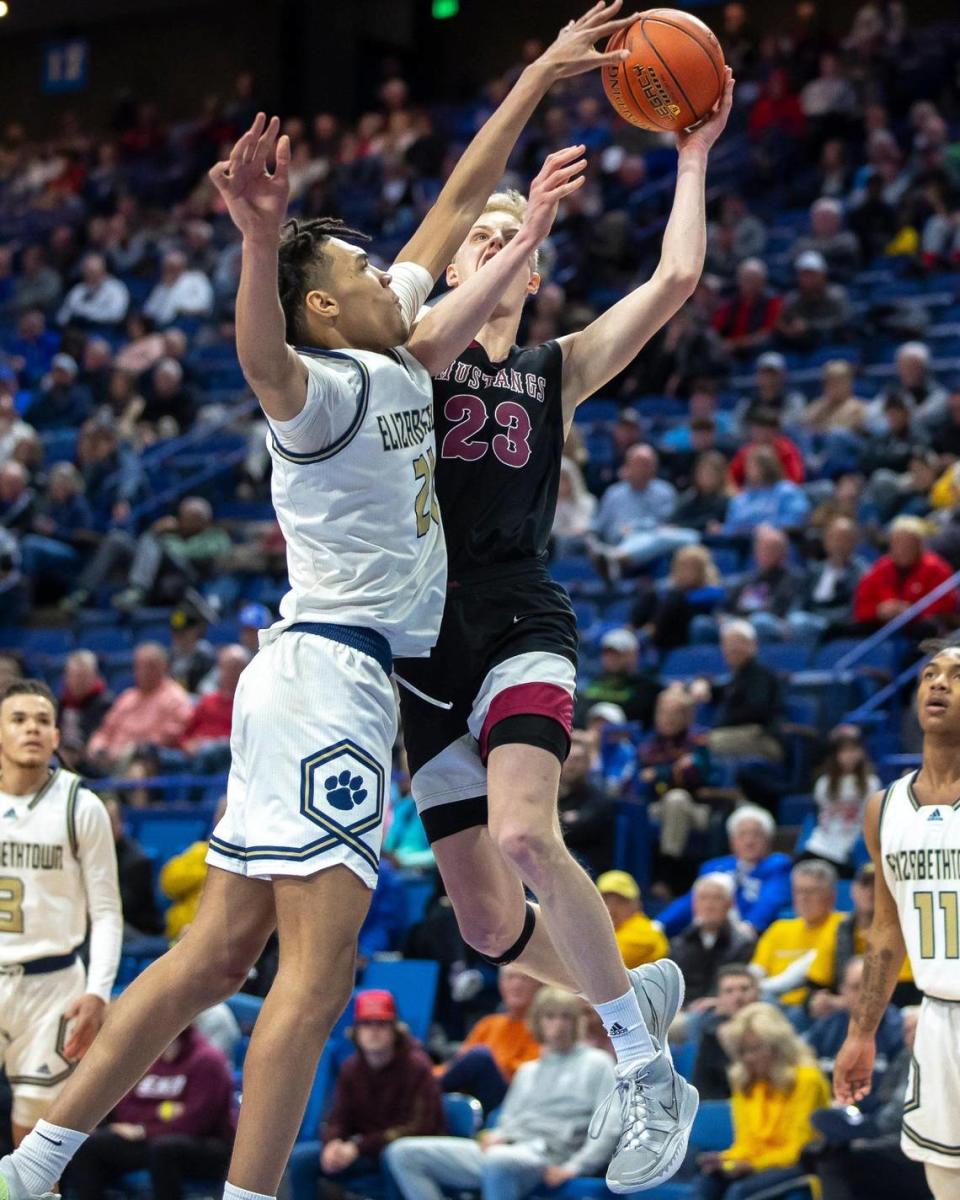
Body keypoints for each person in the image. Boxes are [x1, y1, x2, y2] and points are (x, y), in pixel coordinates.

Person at [0, 15, 644, 1200]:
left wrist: (539, 81)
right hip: (332, 685)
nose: (392, 265)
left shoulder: (396, 341)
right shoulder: (322, 393)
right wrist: (255, 243)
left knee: (210, 956)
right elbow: (261, 356)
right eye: (359, 271)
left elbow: (455, 202)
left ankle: (33, 1166)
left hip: (304, 679)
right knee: (317, 969)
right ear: (329, 312)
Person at [835, 637, 960, 1200]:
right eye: (930, 674)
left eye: (956, 676)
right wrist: (862, 1031)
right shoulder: (883, 808)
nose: (938, 683)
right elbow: (887, 931)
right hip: (937, 1017)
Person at [0, 681, 122, 1146]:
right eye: (18, 719)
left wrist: (98, 991)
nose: (32, 728)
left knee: (34, 1141)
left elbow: (108, 912)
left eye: (43, 720)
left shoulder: (79, 805)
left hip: (52, 986)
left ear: (55, 736)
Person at [385, 987, 619, 1200]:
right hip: (507, 1151)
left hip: (547, 1157)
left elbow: (609, 1127)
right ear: (538, 1022)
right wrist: (496, 1134)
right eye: (550, 1017)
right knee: (403, 1153)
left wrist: (574, 1167)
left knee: (499, 1161)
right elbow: (507, 1121)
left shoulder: (598, 1063)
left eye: (566, 1017)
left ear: (577, 1022)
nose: (558, 1025)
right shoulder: (528, 1070)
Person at [65, 1026, 235, 1200]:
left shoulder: (208, 1061)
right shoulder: (149, 1058)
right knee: (88, 1145)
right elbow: (125, 1108)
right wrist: (163, 1113)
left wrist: (144, 1130)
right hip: (151, 1139)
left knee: (164, 1149)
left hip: (207, 1145)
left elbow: (196, 1121)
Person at [697, 1002, 830, 1199]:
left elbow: (798, 1148)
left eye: (756, 1048)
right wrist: (725, 1160)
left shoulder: (806, 1079)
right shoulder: (743, 1079)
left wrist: (751, 1165)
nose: (749, 1058)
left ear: (778, 1046)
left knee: (740, 1191)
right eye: (742, 1051)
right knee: (707, 1181)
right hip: (757, 1162)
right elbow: (746, 1142)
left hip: (800, 1163)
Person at [318, 990, 444, 1191]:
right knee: (303, 1159)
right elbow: (338, 1117)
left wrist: (358, 1147)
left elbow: (419, 1127)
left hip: (400, 1150)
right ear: (356, 1032)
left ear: (396, 1030)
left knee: (394, 1156)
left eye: (382, 1024)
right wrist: (333, 1143)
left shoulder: (417, 1066)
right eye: (367, 1024)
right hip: (363, 1149)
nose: (374, 1031)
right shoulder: (350, 1067)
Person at [658, 805, 792, 937]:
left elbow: (771, 899)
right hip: (713, 937)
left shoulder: (778, 865)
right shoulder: (714, 867)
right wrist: (659, 926)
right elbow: (690, 901)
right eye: (742, 834)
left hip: (753, 937)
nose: (749, 841)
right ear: (732, 841)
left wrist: (750, 926)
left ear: (768, 839)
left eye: (756, 834)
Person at [807, 863, 916, 1013]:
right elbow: (815, 984)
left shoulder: (903, 931)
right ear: (853, 891)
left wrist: (845, 1002)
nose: (871, 892)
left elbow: (904, 992)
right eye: (865, 885)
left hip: (889, 1016)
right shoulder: (839, 928)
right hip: (840, 1015)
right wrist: (817, 1001)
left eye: (878, 887)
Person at [439, 965, 541, 1115]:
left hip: (514, 1098)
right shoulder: (488, 1024)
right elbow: (459, 1064)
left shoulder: (541, 1029)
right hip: (477, 1092)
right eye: (510, 977)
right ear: (501, 984)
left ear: (538, 985)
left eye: (524, 978)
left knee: (481, 1057)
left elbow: (525, 1075)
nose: (516, 984)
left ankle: (427, 1089)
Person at [750, 860, 843, 1007]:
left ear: (831, 896)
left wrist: (756, 989)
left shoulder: (841, 925)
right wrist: (746, 988)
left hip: (809, 1007)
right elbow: (756, 971)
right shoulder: (779, 928)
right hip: (769, 1004)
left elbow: (797, 976)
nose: (803, 898)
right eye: (798, 891)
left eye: (811, 891)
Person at [87, 643, 194, 771]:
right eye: (139, 666)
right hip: (109, 759)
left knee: (137, 769)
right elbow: (105, 731)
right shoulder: (127, 697)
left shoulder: (176, 698)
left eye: (150, 666)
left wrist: (129, 750)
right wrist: (98, 747)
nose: (144, 671)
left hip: (144, 761)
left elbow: (170, 736)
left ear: (164, 667)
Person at [696, 621, 784, 762]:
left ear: (753, 645)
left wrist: (720, 727)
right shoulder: (737, 677)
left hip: (763, 737)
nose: (731, 648)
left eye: (737, 642)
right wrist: (703, 682)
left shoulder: (761, 675)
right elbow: (720, 692)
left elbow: (756, 711)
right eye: (726, 643)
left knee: (708, 742)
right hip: (738, 735)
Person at [806, 957, 902, 1086]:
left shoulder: (899, 1030)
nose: (864, 995)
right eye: (856, 987)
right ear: (842, 990)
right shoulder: (824, 1029)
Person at [670, 965, 759, 1101]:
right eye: (729, 991)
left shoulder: (775, 1030)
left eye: (745, 989)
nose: (738, 997)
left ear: (757, 993)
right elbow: (704, 1088)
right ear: (719, 998)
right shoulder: (710, 1035)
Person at [853, 515, 957, 632]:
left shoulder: (936, 568)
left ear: (919, 545)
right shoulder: (880, 568)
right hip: (882, 630)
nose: (902, 548)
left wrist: (911, 611)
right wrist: (878, 610)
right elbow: (860, 607)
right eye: (897, 543)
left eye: (908, 543)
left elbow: (946, 608)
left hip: (920, 632)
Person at [802, 726, 879, 874]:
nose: (849, 755)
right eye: (843, 751)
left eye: (853, 749)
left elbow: (870, 821)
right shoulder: (823, 783)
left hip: (849, 851)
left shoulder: (871, 783)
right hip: (819, 846)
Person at [668, 876, 757, 1004]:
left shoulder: (743, 944)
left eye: (717, 898)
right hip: (683, 1009)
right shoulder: (679, 944)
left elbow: (739, 985)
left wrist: (713, 1002)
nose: (709, 905)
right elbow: (673, 987)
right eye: (703, 898)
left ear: (729, 905)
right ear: (694, 905)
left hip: (724, 1008)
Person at [102, 797, 164, 941]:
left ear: (121, 824)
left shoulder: (137, 860)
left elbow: (119, 908)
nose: (105, 826)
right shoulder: (88, 854)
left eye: (110, 820)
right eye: (100, 820)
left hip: (138, 932)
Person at [578, 627, 661, 727]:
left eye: (617, 654)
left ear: (633, 655)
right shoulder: (592, 684)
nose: (611, 658)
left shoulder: (648, 689)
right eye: (607, 653)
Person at [596, 870, 669, 969]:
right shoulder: (607, 930)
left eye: (621, 902)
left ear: (637, 904)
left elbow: (599, 964)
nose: (611, 908)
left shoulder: (644, 932)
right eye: (605, 900)